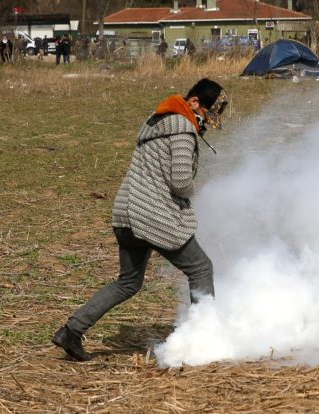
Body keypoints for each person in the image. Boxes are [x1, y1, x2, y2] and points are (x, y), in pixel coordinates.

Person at [52, 78, 228, 362]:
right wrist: (194, 191)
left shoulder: (156, 123)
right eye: (208, 113)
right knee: (201, 269)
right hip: (153, 216)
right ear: (194, 102)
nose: (207, 121)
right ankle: (203, 339)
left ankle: (71, 331)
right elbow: (181, 182)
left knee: (128, 282)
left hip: (126, 214)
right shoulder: (182, 131)